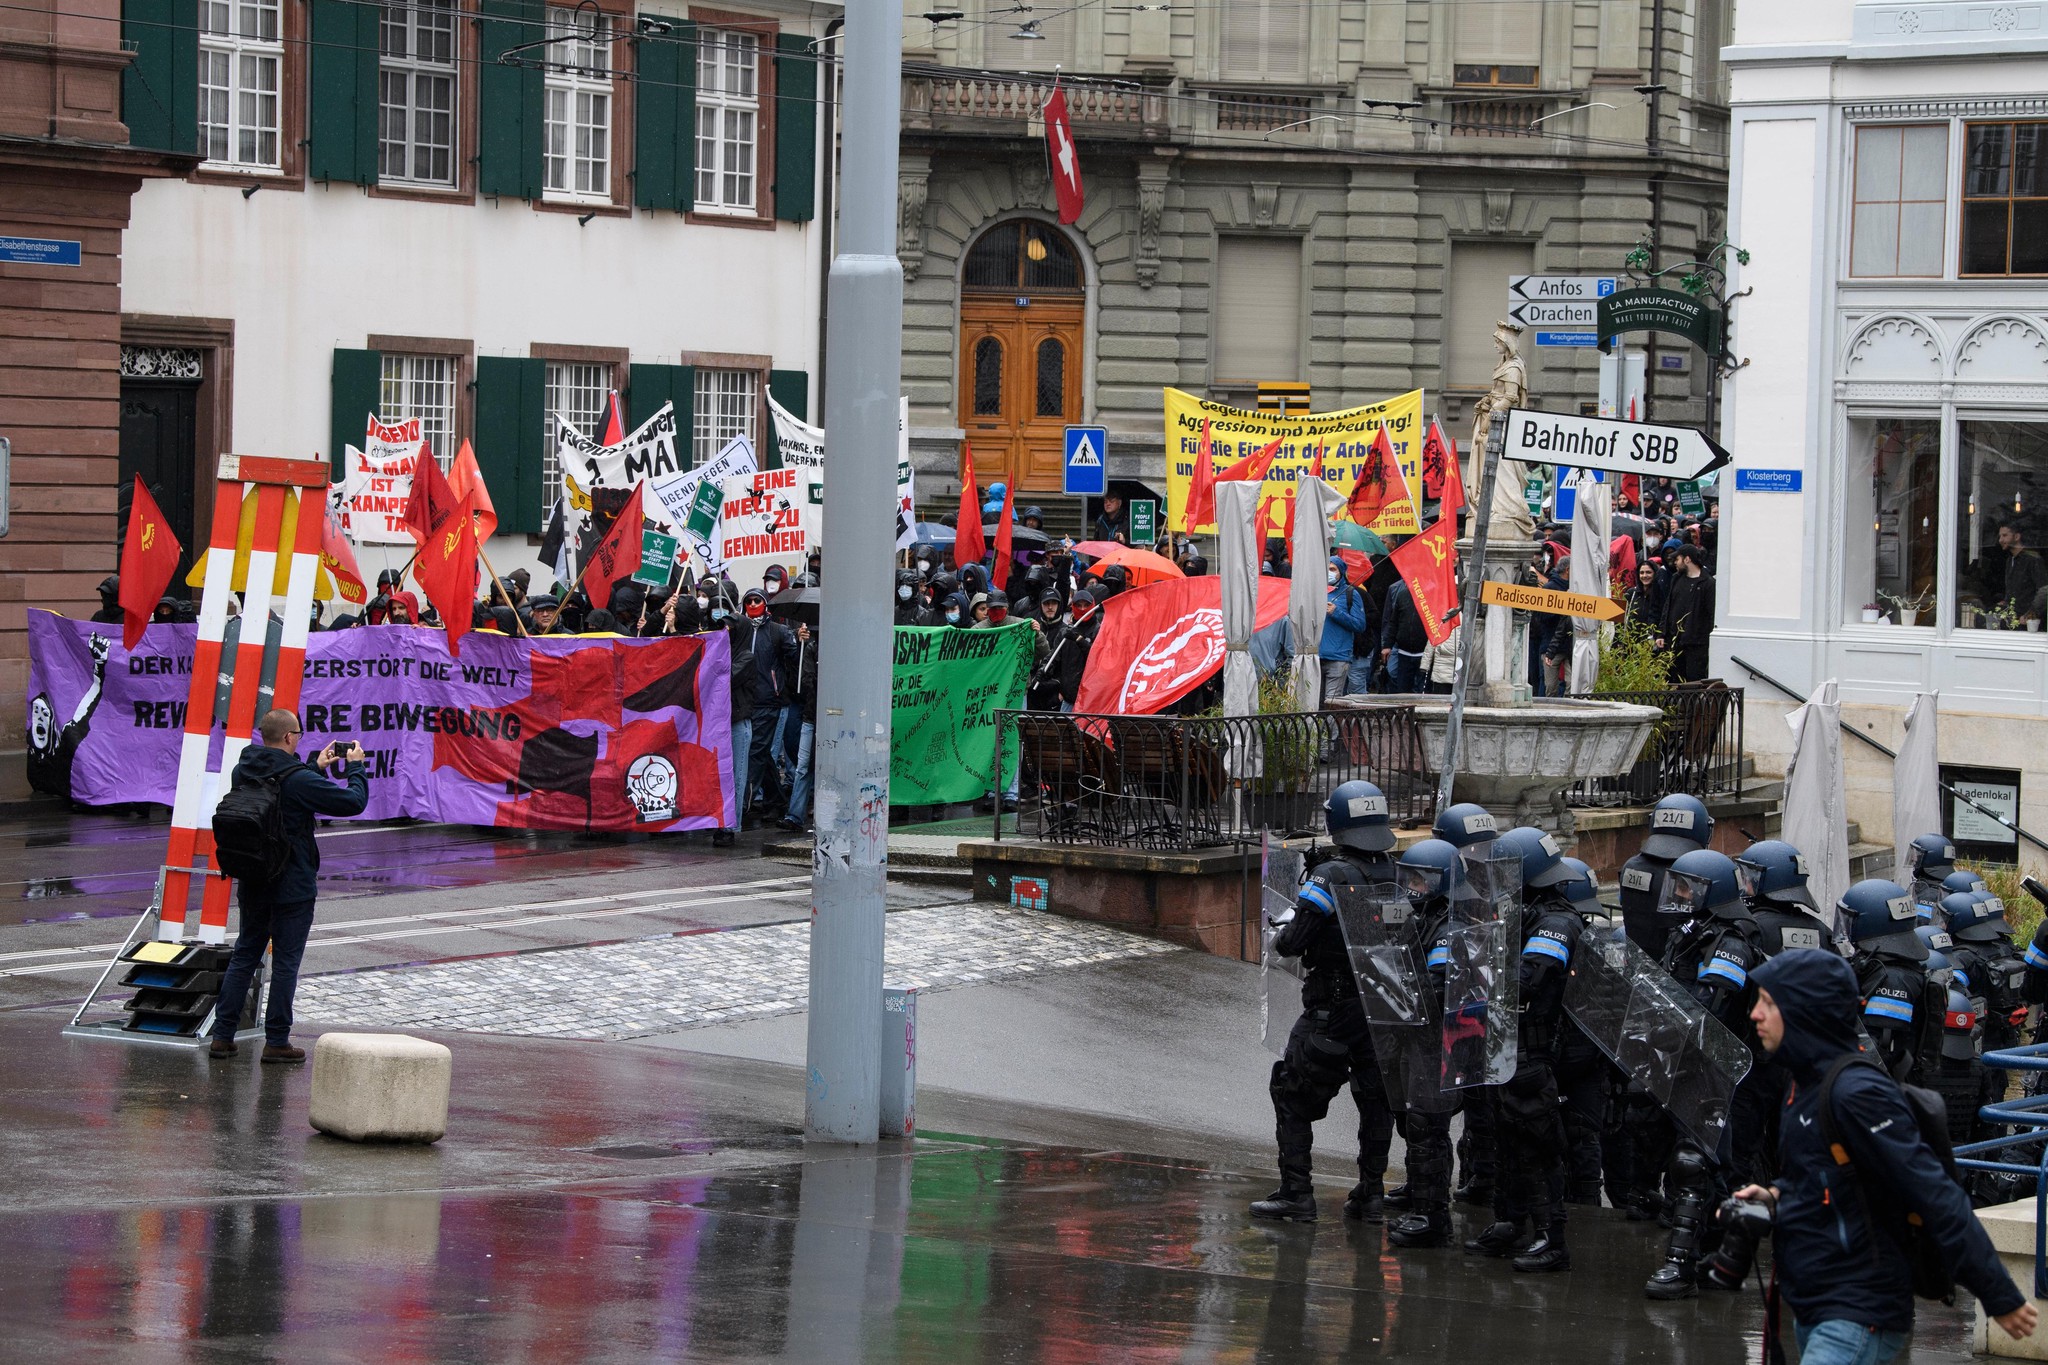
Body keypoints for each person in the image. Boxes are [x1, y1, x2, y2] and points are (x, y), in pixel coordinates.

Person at [1732, 950, 2036, 1363]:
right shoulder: (1802, 1085)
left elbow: (1935, 1194)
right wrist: (1774, 1195)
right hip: (1815, 1306)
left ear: (1805, 1011)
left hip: (1859, 1314)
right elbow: (1825, 1176)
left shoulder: (1857, 1093)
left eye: (1769, 1003)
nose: (1756, 1014)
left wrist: (1999, 1295)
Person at [1250, 781, 1403, 1225]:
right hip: (1381, 1010)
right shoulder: (1394, 871)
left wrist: (1287, 921)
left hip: (1331, 1011)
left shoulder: (1330, 876)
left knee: (1291, 1093)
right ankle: (1371, 1196)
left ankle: (1296, 1194)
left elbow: (1293, 943)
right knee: (1376, 1101)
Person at [208, 709, 370, 1062]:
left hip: (253, 877)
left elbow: (279, 797)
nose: (299, 737)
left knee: (244, 955)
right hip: (291, 884)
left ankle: (222, 1036)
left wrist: (315, 768)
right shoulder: (297, 779)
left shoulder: (243, 769)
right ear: (288, 738)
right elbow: (353, 802)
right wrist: (355, 766)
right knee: (284, 964)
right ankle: (277, 1041)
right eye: (298, 732)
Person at [1641, 848, 1767, 1299]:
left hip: (1713, 1067)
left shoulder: (1730, 942)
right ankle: (1721, 1255)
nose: (1678, 894)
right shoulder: (1691, 934)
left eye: (1687, 887)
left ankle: (1682, 1266)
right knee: (1714, 1170)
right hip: (1682, 1064)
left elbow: (1712, 1007)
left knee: (1694, 1165)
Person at [1466, 828, 1581, 1273]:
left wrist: (1481, 966)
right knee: (1505, 1142)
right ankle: (1510, 1222)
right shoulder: (1522, 911)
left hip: (1532, 1054)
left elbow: (1529, 979)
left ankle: (1553, 1239)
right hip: (1504, 1046)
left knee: (1536, 1145)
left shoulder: (1556, 921)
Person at [1384, 838, 1465, 1248]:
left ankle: (1433, 1216)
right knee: (1412, 1120)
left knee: (1428, 1126)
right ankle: (1419, 1194)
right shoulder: (1420, 917)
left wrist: (1394, 989)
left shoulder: (1449, 928)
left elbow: (1434, 988)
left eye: (1422, 878)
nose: (1413, 885)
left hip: (1437, 1041)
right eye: (1409, 876)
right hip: (1412, 1037)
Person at [1842, 879, 1941, 1084]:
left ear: (1871, 923)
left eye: (1850, 920)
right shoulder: (1888, 967)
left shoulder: (1894, 980)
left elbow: (1874, 1050)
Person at [1657, 542, 1715, 683]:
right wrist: (1661, 633)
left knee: (1693, 681)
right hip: (1674, 641)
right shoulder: (1677, 578)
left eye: (1678, 559)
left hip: (1696, 643)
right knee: (1673, 680)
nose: (1675, 563)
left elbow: (1710, 614)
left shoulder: (1708, 583)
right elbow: (1668, 606)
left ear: (1687, 559)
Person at [1319, 563, 1370, 701]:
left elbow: (1360, 625)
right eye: (1327, 568)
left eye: (1333, 569)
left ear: (1341, 572)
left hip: (1338, 657)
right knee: (1315, 704)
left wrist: (1337, 612)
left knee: (1332, 703)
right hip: (1315, 657)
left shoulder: (1351, 593)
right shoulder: (1316, 590)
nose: (1329, 572)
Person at [1379, 576, 1428, 693]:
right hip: (1404, 652)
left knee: (1420, 690)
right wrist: (1387, 646)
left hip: (1424, 653)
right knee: (1402, 689)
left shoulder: (1433, 597)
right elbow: (1393, 622)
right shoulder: (1403, 595)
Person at [1998, 519, 2045, 622]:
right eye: (2000, 536)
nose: (2000, 540)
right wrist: (2005, 602)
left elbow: (2044, 590)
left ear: (2017, 536)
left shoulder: (2033, 559)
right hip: (2012, 618)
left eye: (2005, 535)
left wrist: (2031, 613)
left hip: (2028, 621)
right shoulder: (2010, 560)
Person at [1624, 560, 1665, 633]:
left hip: (1651, 640)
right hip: (1631, 641)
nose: (1645, 575)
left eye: (1648, 572)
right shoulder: (1631, 593)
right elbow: (1618, 618)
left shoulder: (1661, 594)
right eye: (1641, 573)